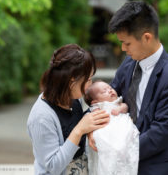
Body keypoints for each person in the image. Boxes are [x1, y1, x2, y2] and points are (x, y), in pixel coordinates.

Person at [88, 0, 168, 175]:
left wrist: (114, 150)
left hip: (157, 169)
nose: (122, 48)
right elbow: (106, 98)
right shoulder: (129, 63)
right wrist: (91, 130)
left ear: (147, 38)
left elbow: (160, 134)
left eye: (127, 43)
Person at [27, 44, 110, 175]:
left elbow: (85, 122)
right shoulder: (41, 117)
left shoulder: (74, 98)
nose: (90, 84)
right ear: (72, 81)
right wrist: (79, 130)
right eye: (88, 79)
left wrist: (89, 131)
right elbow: (52, 166)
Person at [84, 80, 139, 175]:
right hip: (106, 134)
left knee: (125, 159)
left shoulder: (119, 102)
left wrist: (121, 108)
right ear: (95, 102)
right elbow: (90, 118)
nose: (110, 91)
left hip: (121, 131)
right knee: (106, 159)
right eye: (104, 91)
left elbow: (126, 106)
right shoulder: (97, 107)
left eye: (110, 88)